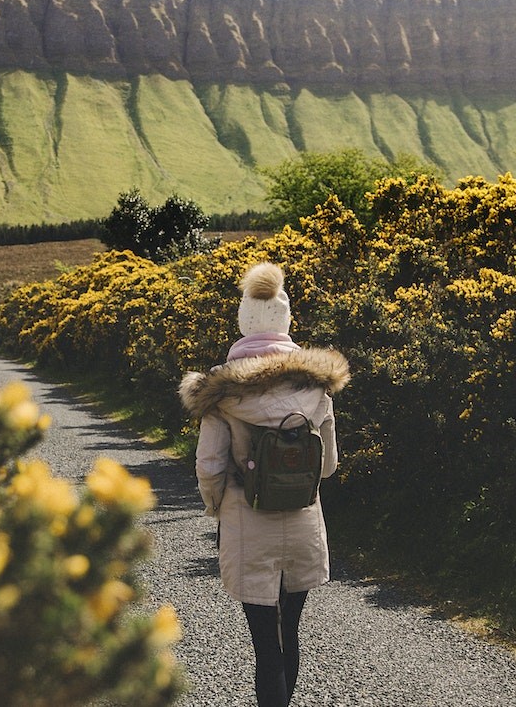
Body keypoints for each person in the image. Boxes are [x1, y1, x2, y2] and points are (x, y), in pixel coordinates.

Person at [179, 262, 350, 707]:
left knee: (264, 647)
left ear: (242, 323)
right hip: (303, 521)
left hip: (246, 522)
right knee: (289, 632)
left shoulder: (222, 393)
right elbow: (328, 466)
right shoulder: (317, 389)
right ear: (286, 322)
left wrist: (218, 508)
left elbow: (209, 465)